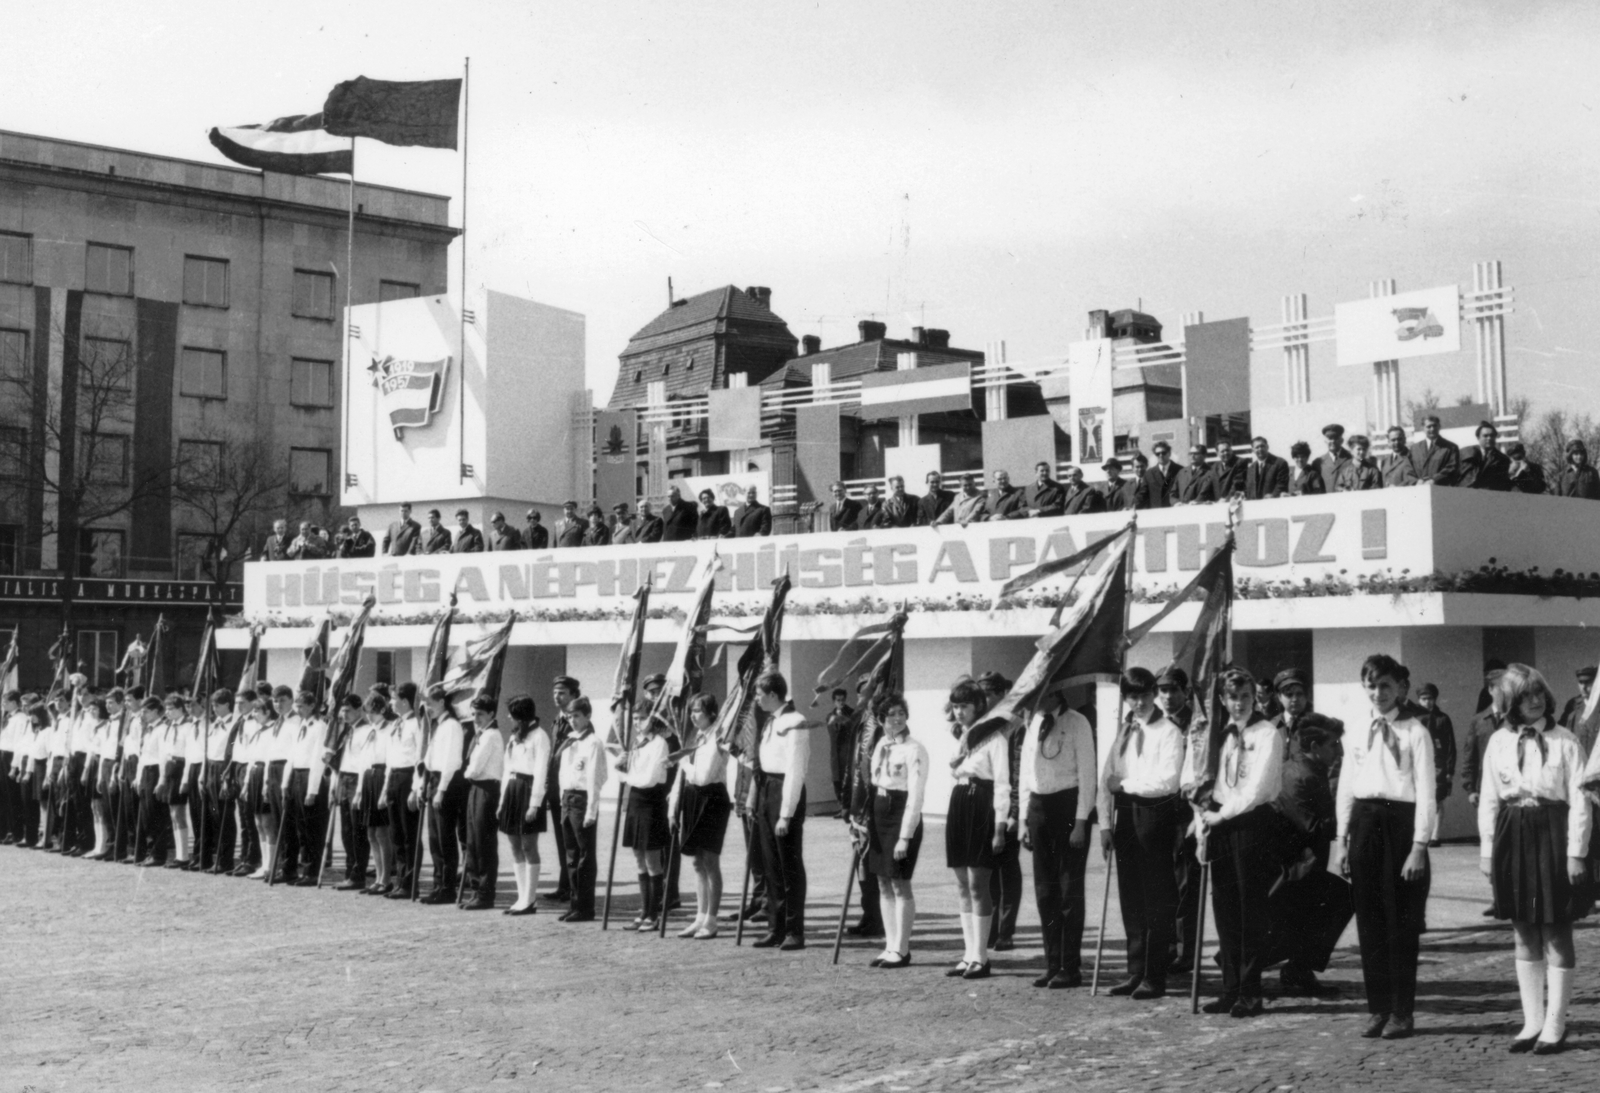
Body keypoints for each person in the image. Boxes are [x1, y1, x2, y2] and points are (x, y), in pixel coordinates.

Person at [1481, 663, 1591, 1054]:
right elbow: (1489, 798)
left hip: (1553, 834)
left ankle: (1556, 1025)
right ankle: (1532, 1022)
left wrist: (1576, 853)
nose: (1534, 700)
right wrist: (1487, 851)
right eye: (1525, 695)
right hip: (1512, 833)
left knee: (1556, 930)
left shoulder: (1565, 741)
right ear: (1510, 701)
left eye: (1539, 692)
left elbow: (1581, 800)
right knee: (1524, 929)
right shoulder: (1498, 741)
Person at [1328, 654, 1435, 1040]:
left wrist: (1419, 845)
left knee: (1401, 923)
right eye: (1371, 686)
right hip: (1365, 824)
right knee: (1370, 922)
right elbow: (1346, 787)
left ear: (1401, 687)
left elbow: (1426, 792)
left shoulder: (1415, 732)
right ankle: (1379, 1008)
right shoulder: (1357, 731)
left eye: (1386, 685)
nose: (1378, 693)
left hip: (1401, 827)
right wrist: (1341, 841)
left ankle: (1402, 1012)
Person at [1194, 667, 1284, 1017]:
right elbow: (1209, 780)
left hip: (1251, 823)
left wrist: (1223, 815)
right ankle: (1230, 989)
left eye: (1246, 696)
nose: (1240, 703)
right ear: (1222, 699)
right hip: (1220, 822)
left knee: (1250, 909)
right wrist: (1205, 817)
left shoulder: (1267, 733)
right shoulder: (1220, 735)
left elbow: (1258, 788)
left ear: (1255, 697)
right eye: (1233, 697)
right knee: (1225, 908)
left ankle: (1250, 991)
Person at [1098, 668, 1186, 999]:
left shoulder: (1168, 731)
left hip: (1154, 814)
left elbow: (1167, 782)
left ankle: (1154, 975)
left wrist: (1125, 785)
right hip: (1125, 815)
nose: (1139, 703)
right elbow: (1107, 776)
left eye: (1145, 695)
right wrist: (1105, 824)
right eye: (1132, 697)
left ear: (1154, 694)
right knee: (1131, 897)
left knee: (1156, 898)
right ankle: (1135, 971)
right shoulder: (1124, 730)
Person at [1018, 689, 1096, 988]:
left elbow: (1087, 774)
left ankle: (1070, 966)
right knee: (1045, 891)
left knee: (1068, 892)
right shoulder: (1033, 722)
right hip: (1039, 808)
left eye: (1039, 694)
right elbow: (1025, 773)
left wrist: (1081, 821)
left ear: (1054, 692)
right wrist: (1024, 819)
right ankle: (1053, 962)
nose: (1034, 701)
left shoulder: (1077, 722)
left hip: (1068, 807)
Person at [852, 692, 926, 969]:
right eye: (891, 714)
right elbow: (871, 784)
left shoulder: (914, 749)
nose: (897, 719)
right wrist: (862, 822)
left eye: (901, 713)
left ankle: (902, 949)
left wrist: (905, 836)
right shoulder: (882, 744)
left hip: (900, 813)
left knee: (899, 882)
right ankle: (890, 945)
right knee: (882, 881)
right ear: (881, 719)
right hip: (879, 814)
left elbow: (916, 796)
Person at [944, 679, 1009, 980]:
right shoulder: (958, 735)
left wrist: (1000, 827)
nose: (959, 712)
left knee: (977, 884)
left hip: (982, 803)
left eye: (965, 706)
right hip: (960, 801)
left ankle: (981, 957)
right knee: (961, 884)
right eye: (956, 706)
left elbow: (1002, 784)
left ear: (978, 706)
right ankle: (968, 954)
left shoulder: (994, 737)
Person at [753, 671, 810, 950]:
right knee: (771, 865)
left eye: (759, 694)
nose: (756, 699)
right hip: (768, 789)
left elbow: (795, 770)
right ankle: (775, 927)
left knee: (789, 865)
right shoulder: (771, 720)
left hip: (785, 790)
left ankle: (794, 930)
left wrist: (786, 813)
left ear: (773, 694)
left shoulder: (795, 722)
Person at [668, 693, 732, 939]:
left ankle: (712, 920)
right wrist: (673, 807)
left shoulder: (718, 737)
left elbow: (703, 776)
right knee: (696, 862)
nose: (693, 716)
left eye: (698, 711)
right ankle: (699, 917)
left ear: (711, 713)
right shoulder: (695, 736)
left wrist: (682, 760)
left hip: (712, 798)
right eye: (691, 711)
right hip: (692, 797)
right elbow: (681, 778)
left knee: (710, 860)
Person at [615, 710, 672, 931]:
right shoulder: (636, 743)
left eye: (642, 718)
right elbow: (625, 775)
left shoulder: (659, 743)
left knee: (652, 860)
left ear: (653, 719)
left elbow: (649, 778)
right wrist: (619, 765)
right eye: (635, 718)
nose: (637, 722)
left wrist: (626, 776)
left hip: (651, 801)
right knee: (638, 858)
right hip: (635, 800)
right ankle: (644, 911)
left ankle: (654, 915)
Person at [497, 694, 550, 916]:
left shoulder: (540, 736)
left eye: (512, 714)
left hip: (529, 791)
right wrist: (502, 801)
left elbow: (540, 771)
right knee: (514, 845)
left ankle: (530, 899)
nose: (509, 717)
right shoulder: (514, 737)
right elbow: (507, 769)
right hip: (512, 790)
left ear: (521, 716)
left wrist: (534, 804)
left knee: (528, 846)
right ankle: (521, 897)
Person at [555, 696, 606, 922]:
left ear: (587, 716)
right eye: (569, 717)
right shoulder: (570, 741)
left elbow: (596, 777)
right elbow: (563, 773)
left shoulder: (593, 742)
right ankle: (574, 904)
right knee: (571, 856)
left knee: (585, 856)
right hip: (567, 798)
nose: (572, 720)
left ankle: (585, 908)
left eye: (576, 716)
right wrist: (562, 799)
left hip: (582, 799)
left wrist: (591, 810)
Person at [416, 683, 467, 904]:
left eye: (430, 703)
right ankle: (438, 885)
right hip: (433, 780)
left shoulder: (452, 726)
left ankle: (447, 888)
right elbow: (430, 758)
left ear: (441, 702)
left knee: (445, 837)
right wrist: (423, 783)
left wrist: (441, 790)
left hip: (446, 782)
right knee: (435, 838)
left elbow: (451, 761)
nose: (427, 708)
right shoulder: (438, 725)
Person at [460, 695, 505, 911]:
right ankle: (476, 890)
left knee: (483, 843)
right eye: (473, 714)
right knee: (472, 842)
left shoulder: (491, 736)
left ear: (491, 714)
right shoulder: (481, 734)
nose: (475, 718)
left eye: (480, 714)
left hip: (487, 789)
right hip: (476, 788)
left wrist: (465, 773)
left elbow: (475, 768)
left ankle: (486, 894)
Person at [280, 689, 330, 885]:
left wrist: (312, 790)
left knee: (310, 828)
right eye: (297, 706)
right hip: (296, 775)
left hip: (310, 776)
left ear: (311, 706)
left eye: (301, 706)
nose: (298, 710)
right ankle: (292, 869)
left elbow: (318, 759)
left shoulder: (320, 726)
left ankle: (311, 872)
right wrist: (286, 782)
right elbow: (292, 756)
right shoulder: (299, 725)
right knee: (295, 826)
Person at [381, 683, 424, 899]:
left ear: (405, 701)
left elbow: (419, 759)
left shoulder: (417, 724)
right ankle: (400, 881)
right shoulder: (396, 723)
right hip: (394, 777)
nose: (390, 702)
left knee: (409, 834)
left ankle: (409, 883)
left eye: (393, 699)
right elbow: (390, 758)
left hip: (408, 778)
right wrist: (385, 789)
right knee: (396, 834)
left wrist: (415, 788)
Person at [544, 676, 581, 904]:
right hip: (555, 788)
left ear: (573, 695)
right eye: (555, 692)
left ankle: (573, 887)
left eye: (562, 693)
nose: (557, 697)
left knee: (572, 842)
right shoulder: (558, 720)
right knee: (562, 840)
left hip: (569, 789)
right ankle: (564, 885)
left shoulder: (577, 722)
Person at [355, 690, 395, 895]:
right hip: (368, 778)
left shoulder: (389, 729)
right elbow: (363, 761)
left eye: (372, 712)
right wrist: (359, 791)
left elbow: (390, 761)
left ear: (382, 710)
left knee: (381, 832)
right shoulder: (369, 731)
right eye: (367, 712)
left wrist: (385, 791)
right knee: (371, 832)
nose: (369, 716)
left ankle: (386, 879)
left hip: (381, 776)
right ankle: (378, 878)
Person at [330, 694, 370, 891]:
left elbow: (364, 762)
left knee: (357, 831)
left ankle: (357, 875)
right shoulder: (347, 731)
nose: (343, 714)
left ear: (359, 710)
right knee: (346, 831)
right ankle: (349, 872)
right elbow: (341, 761)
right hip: (344, 779)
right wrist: (335, 784)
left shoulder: (366, 730)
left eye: (348, 710)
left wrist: (360, 789)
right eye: (342, 710)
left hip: (357, 780)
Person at [1416, 684, 1457, 846]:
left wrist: (1449, 770)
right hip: (1419, 764)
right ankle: (1420, 834)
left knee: (1437, 799)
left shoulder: (1443, 719)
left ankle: (1435, 836)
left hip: (1438, 766)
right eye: (1424, 699)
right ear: (1419, 700)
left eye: (1430, 699)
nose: (1427, 702)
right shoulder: (1414, 718)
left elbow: (1450, 745)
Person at [825, 687, 855, 816]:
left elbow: (852, 728)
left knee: (846, 779)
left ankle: (847, 807)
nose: (841, 702)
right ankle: (841, 805)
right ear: (834, 701)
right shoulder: (829, 716)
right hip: (835, 754)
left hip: (847, 752)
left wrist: (843, 718)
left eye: (843, 700)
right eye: (838, 700)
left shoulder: (851, 713)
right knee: (836, 780)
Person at [1458, 421, 1511, 490]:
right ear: (1478, 437)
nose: (1489, 438)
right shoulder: (1466, 453)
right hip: (1465, 492)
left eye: (1492, 436)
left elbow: (1502, 484)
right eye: (1485, 436)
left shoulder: (1503, 459)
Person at [1411, 415, 1460, 486]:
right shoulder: (1414, 448)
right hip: (1419, 488)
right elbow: (1409, 469)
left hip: (1440, 488)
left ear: (1439, 426)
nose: (1432, 429)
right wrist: (1416, 481)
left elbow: (1452, 467)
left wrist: (1434, 479)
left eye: (1434, 426)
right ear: (1423, 428)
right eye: (1429, 426)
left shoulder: (1451, 447)